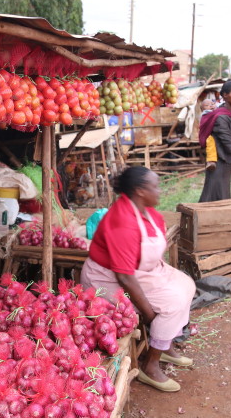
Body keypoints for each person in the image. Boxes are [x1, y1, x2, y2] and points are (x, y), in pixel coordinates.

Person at [81, 166, 196, 393]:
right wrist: (150, 315)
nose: (159, 191)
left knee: (186, 285)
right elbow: (124, 277)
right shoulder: (122, 220)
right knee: (171, 304)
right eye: (155, 187)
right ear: (140, 191)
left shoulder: (149, 212)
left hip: (139, 271)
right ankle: (150, 365)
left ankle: (164, 343)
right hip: (107, 279)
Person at [198, 81, 231, 202]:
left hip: (227, 162)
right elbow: (230, 147)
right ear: (225, 95)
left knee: (223, 196)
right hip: (219, 163)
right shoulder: (220, 117)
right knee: (214, 196)